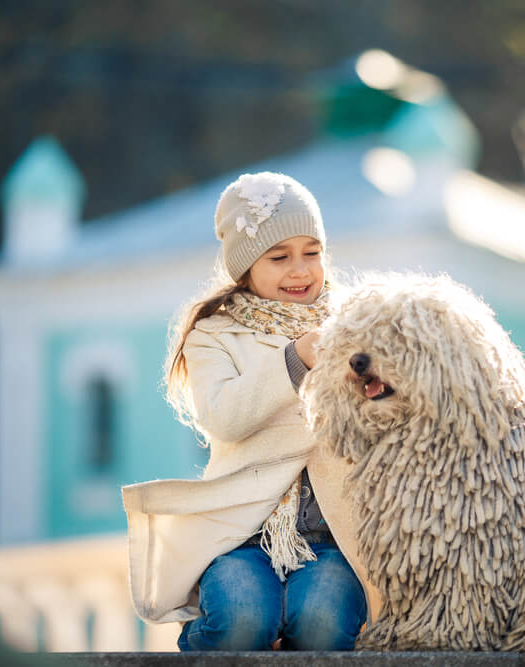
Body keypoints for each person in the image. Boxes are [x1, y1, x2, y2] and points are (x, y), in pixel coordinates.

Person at [122, 172, 370, 651]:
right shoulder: (215, 334)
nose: (300, 270)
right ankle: (199, 636)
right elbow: (225, 416)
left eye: (311, 253)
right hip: (242, 535)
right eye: (279, 258)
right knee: (241, 620)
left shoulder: (352, 326)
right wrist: (296, 359)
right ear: (245, 266)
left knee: (321, 622)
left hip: (332, 535)